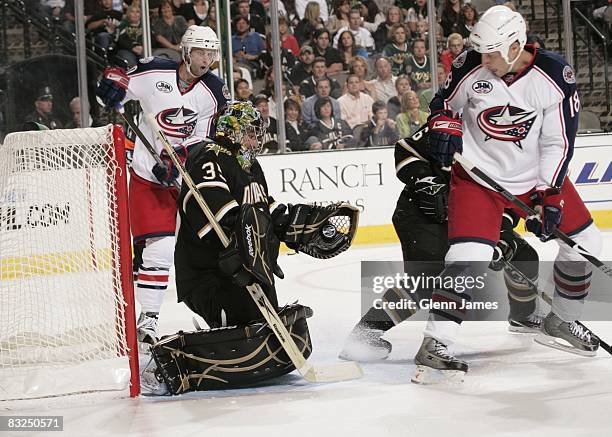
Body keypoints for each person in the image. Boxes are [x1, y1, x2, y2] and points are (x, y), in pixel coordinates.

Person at [413, 6, 602, 382]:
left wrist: (549, 195)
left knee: (587, 244)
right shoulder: (471, 64)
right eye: (481, 52)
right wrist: (445, 126)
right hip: (479, 178)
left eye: (493, 52)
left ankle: (562, 320)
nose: (486, 60)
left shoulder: (553, 76)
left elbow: (557, 141)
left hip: (535, 176)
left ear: (516, 45)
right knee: (470, 256)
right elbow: (444, 104)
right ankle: (436, 342)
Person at [142, 100, 357, 395]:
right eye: (251, 132)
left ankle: (228, 329)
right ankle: (173, 363)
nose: (258, 139)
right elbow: (219, 220)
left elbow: (267, 212)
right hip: (209, 275)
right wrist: (242, 250)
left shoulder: (249, 165)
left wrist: (300, 225)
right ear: (232, 132)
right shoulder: (208, 157)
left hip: (244, 269)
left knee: (267, 327)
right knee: (250, 324)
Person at [340, 125, 542, 362]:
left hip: (474, 216)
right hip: (422, 213)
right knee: (426, 279)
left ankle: (523, 316)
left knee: (524, 255)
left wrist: (500, 234)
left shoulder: (522, 154)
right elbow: (405, 150)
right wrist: (427, 182)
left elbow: (512, 202)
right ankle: (366, 332)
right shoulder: (463, 123)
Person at [95, 25, 228, 349]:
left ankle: (222, 312)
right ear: (185, 51)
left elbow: (203, 139)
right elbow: (114, 92)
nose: (207, 58)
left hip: (185, 180)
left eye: (211, 52)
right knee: (161, 248)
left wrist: (179, 158)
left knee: (212, 249)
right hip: (147, 177)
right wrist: (109, 86)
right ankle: (149, 320)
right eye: (201, 51)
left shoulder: (213, 90)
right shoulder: (156, 71)